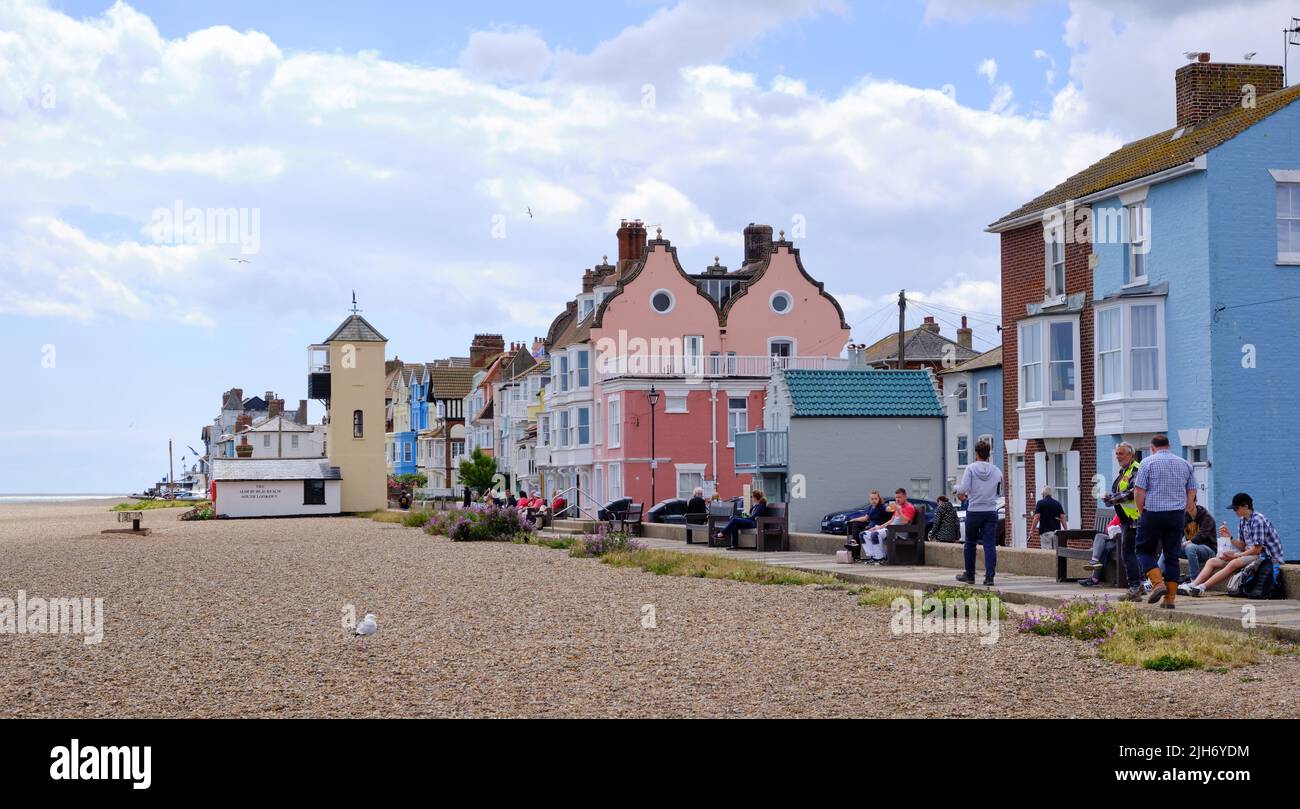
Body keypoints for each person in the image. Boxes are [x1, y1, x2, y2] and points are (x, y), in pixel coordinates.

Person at [1132, 433, 1197, 609]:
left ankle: (1157, 584)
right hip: (1176, 515)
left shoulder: (1147, 462)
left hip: (1152, 513)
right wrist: (1186, 507)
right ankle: (1170, 599)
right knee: (1172, 556)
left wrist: (1141, 510)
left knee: (1143, 550)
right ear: (1169, 446)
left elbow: (1139, 491)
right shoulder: (1185, 464)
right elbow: (1191, 490)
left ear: (1153, 447)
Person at [1180, 492, 1285, 596]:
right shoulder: (1242, 521)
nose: (1235, 512)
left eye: (1236, 508)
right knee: (1212, 561)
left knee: (1233, 563)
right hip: (1250, 554)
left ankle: (1202, 587)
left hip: (1266, 557)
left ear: (1245, 506)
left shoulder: (1258, 520)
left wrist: (1235, 556)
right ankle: (1193, 585)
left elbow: (1257, 550)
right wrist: (1229, 537)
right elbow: (1242, 545)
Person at [954, 439, 1003, 586]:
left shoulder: (970, 469)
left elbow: (964, 489)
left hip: (974, 510)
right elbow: (999, 491)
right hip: (990, 510)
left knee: (970, 543)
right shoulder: (996, 470)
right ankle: (989, 577)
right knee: (989, 544)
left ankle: (969, 575)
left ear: (976, 454)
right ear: (988, 454)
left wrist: (957, 489)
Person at [1102, 442, 1144, 601]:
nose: (1118, 456)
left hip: (1136, 519)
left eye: (1121, 453)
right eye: (1117, 453)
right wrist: (1110, 498)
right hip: (1127, 519)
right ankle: (1138, 585)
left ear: (1131, 455)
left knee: (1128, 552)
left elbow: (1133, 492)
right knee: (1132, 552)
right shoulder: (1124, 471)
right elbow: (1121, 492)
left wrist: (1111, 499)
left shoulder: (1136, 470)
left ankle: (1135, 587)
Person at [1178, 493, 1217, 582]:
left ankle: (1194, 581)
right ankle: (1159, 579)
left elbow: (1201, 536)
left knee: (1190, 547)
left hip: (1209, 550)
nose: (1187, 505)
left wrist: (1185, 543)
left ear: (1195, 501)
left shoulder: (1207, 517)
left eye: (1189, 502)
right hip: (1191, 549)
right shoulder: (1184, 517)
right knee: (1169, 548)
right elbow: (1178, 534)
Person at [846, 490, 890, 562]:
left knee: (864, 533)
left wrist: (891, 508)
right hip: (870, 526)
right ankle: (855, 543)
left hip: (879, 527)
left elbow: (888, 509)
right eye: (872, 499)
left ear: (879, 499)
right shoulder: (870, 508)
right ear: (870, 499)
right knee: (856, 525)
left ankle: (877, 556)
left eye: (875, 499)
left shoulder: (882, 506)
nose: (874, 501)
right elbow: (865, 518)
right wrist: (854, 519)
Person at [1081, 515, 1123, 587]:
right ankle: (1095, 562)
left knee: (1101, 547)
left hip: (1121, 540)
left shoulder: (1130, 513)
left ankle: (1094, 577)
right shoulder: (1119, 513)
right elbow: (1108, 527)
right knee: (1100, 538)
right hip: (1112, 538)